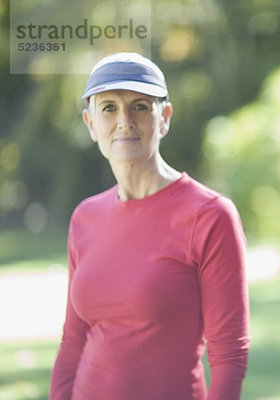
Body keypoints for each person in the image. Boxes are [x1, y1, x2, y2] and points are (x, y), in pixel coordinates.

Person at [49, 53, 250, 400]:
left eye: (140, 106)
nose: (124, 120)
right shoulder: (85, 217)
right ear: (90, 124)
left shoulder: (209, 215)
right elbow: (73, 340)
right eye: (108, 108)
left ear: (164, 118)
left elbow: (229, 353)